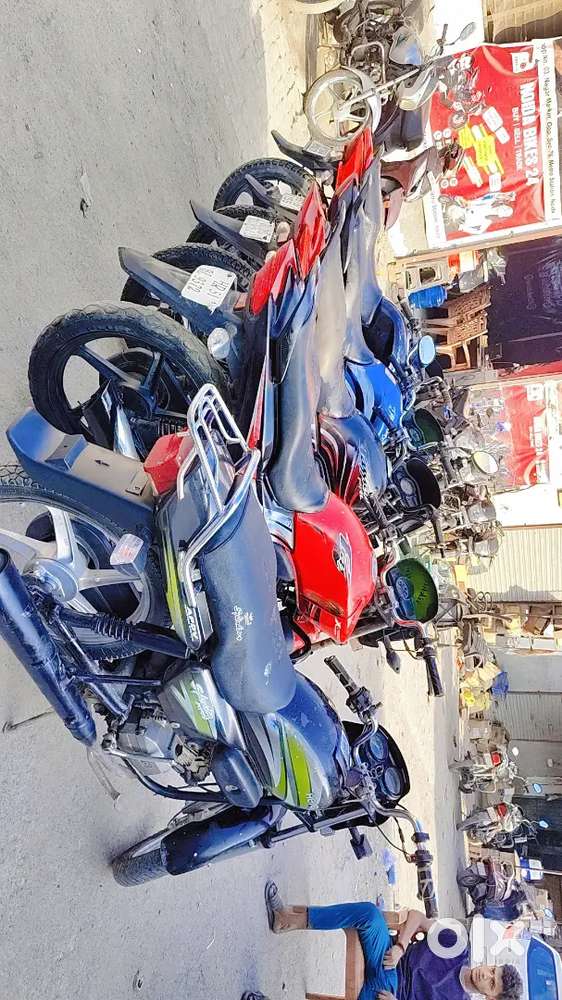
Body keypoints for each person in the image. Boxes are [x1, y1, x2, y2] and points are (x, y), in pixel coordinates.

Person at [264, 882, 523, 1000]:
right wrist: (401, 946)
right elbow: (417, 917)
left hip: (388, 992)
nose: (485, 975)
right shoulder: (457, 947)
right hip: (388, 955)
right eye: (493, 970)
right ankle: (289, 920)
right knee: (369, 913)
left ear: (490, 998)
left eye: (491, 983)